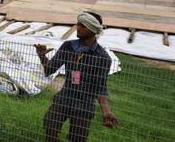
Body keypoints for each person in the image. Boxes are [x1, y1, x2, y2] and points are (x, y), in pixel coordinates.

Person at [34, 12, 118, 142]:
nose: (78, 28)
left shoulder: (102, 57)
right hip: (64, 98)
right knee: (50, 126)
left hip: (85, 104)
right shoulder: (69, 47)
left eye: (83, 25)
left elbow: (100, 86)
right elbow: (50, 69)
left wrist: (106, 111)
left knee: (77, 138)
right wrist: (42, 56)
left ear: (93, 29)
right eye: (78, 24)